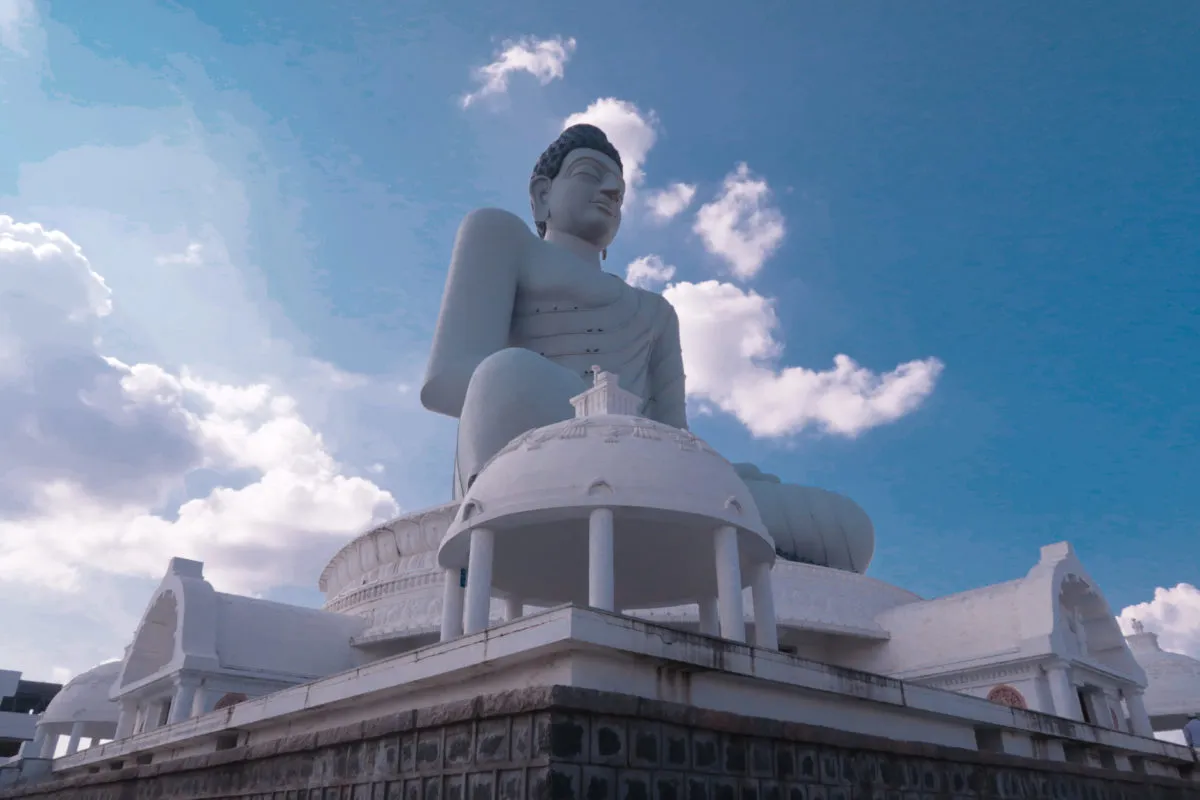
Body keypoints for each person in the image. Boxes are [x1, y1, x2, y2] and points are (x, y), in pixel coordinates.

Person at [422, 124, 687, 498]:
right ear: (543, 194)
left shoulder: (656, 311)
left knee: (782, 502)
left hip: (640, 466)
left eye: (620, 193)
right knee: (508, 372)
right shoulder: (503, 237)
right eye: (590, 175)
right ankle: (494, 532)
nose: (611, 193)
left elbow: (677, 438)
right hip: (529, 449)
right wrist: (587, 412)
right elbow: (449, 380)